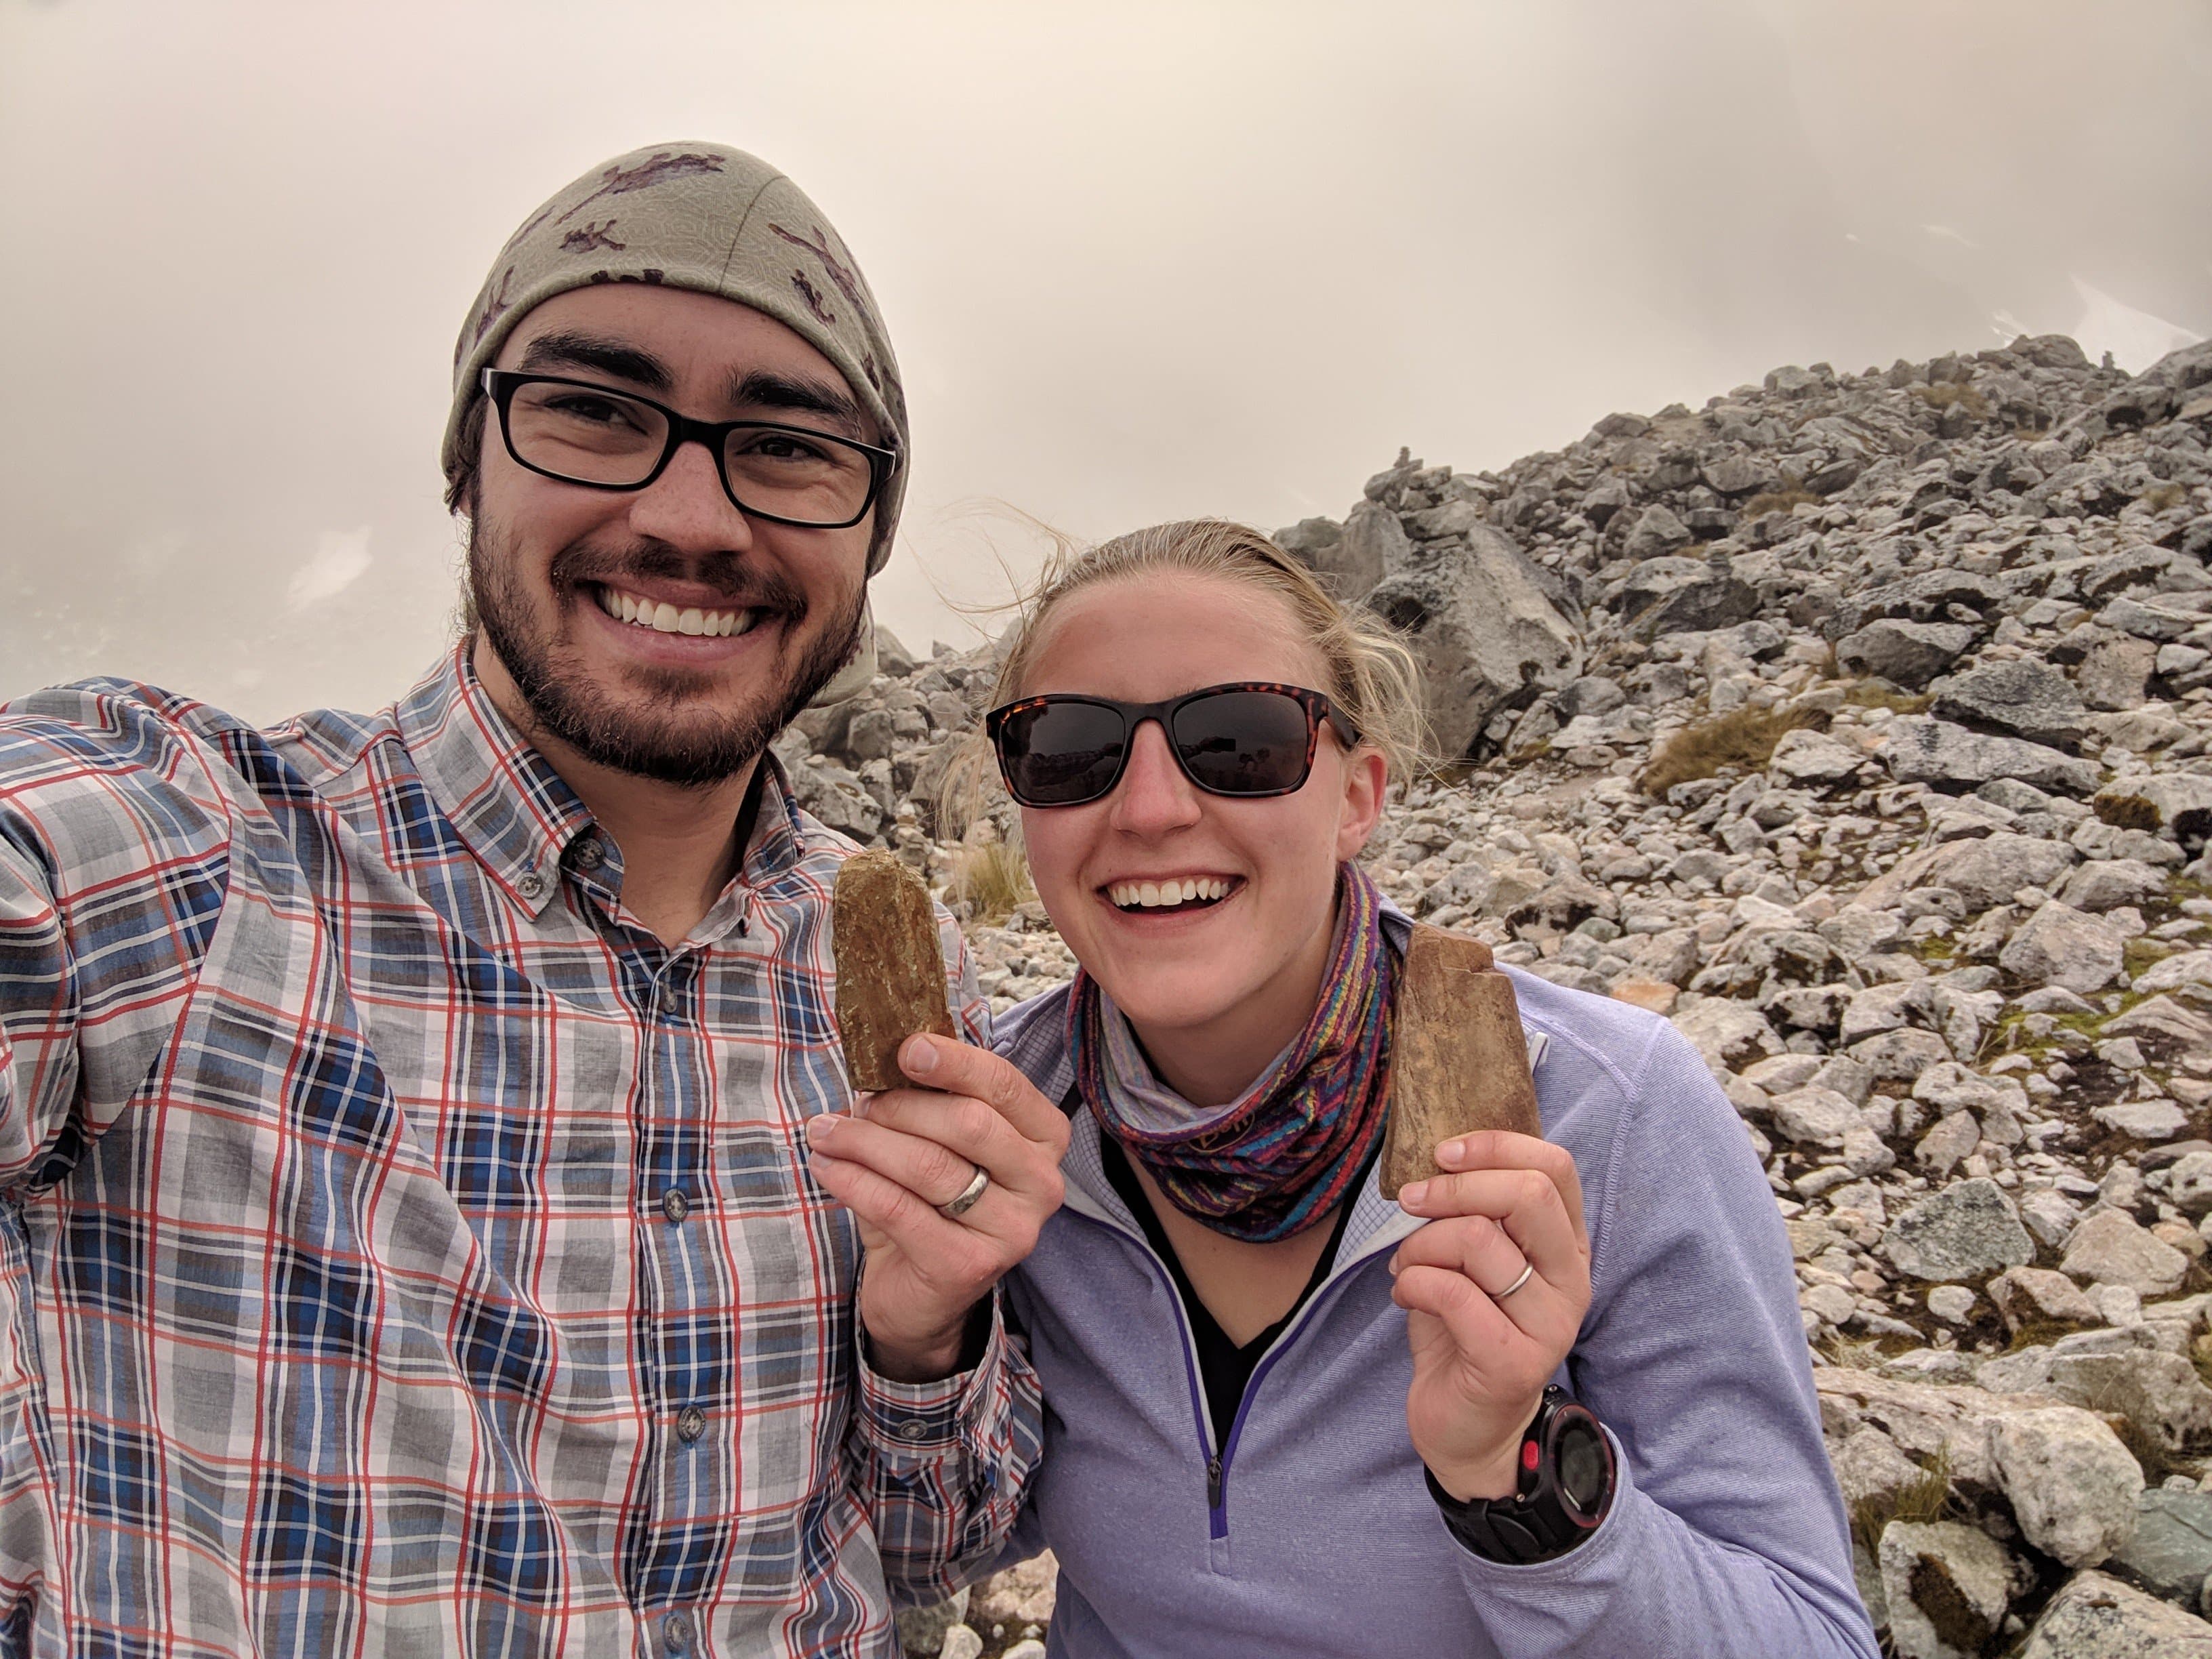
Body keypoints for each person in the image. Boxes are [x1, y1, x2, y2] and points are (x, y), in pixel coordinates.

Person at [0, 142, 1069, 1656]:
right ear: (467, 462)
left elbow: (941, 1548)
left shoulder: (896, 966)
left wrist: (925, 1336)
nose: (695, 515)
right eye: (595, 410)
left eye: (789, 443)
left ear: (871, 533)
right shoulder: (184, 854)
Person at [921, 519, 1880, 1656]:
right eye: (1071, 749)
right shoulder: (999, 1125)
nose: (1150, 810)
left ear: (1358, 796)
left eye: (1238, 739)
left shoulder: (1606, 1110)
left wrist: (1513, 1472)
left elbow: (1813, 1636)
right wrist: (923, 1344)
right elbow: (936, 1554)